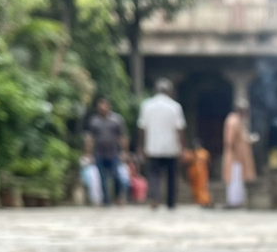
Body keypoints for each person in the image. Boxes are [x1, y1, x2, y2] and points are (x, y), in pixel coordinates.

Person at [137, 78, 186, 209]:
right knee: (171, 175)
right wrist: (183, 148)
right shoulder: (175, 107)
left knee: (154, 175)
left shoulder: (147, 106)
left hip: (153, 146)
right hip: (171, 147)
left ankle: (155, 199)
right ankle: (171, 202)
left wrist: (141, 146)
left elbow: (142, 128)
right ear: (169, 91)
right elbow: (180, 129)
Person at [84, 97, 128, 206]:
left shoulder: (117, 120)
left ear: (109, 107)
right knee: (102, 177)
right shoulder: (94, 121)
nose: (102, 109)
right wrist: (88, 154)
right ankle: (106, 200)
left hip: (113, 153)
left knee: (116, 176)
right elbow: (90, 138)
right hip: (99, 153)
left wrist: (124, 151)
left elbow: (123, 137)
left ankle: (118, 196)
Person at [222, 98, 255, 208]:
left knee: (239, 181)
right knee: (234, 180)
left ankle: (238, 202)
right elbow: (230, 140)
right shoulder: (233, 120)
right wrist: (234, 154)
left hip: (240, 157)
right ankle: (233, 202)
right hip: (234, 157)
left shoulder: (240, 121)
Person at [182, 138, 211, 207]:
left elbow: (209, 163)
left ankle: (205, 201)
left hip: (202, 173)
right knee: (194, 189)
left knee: (203, 187)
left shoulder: (204, 153)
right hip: (193, 173)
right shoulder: (190, 153)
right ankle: (197, 201)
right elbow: (185, 162)